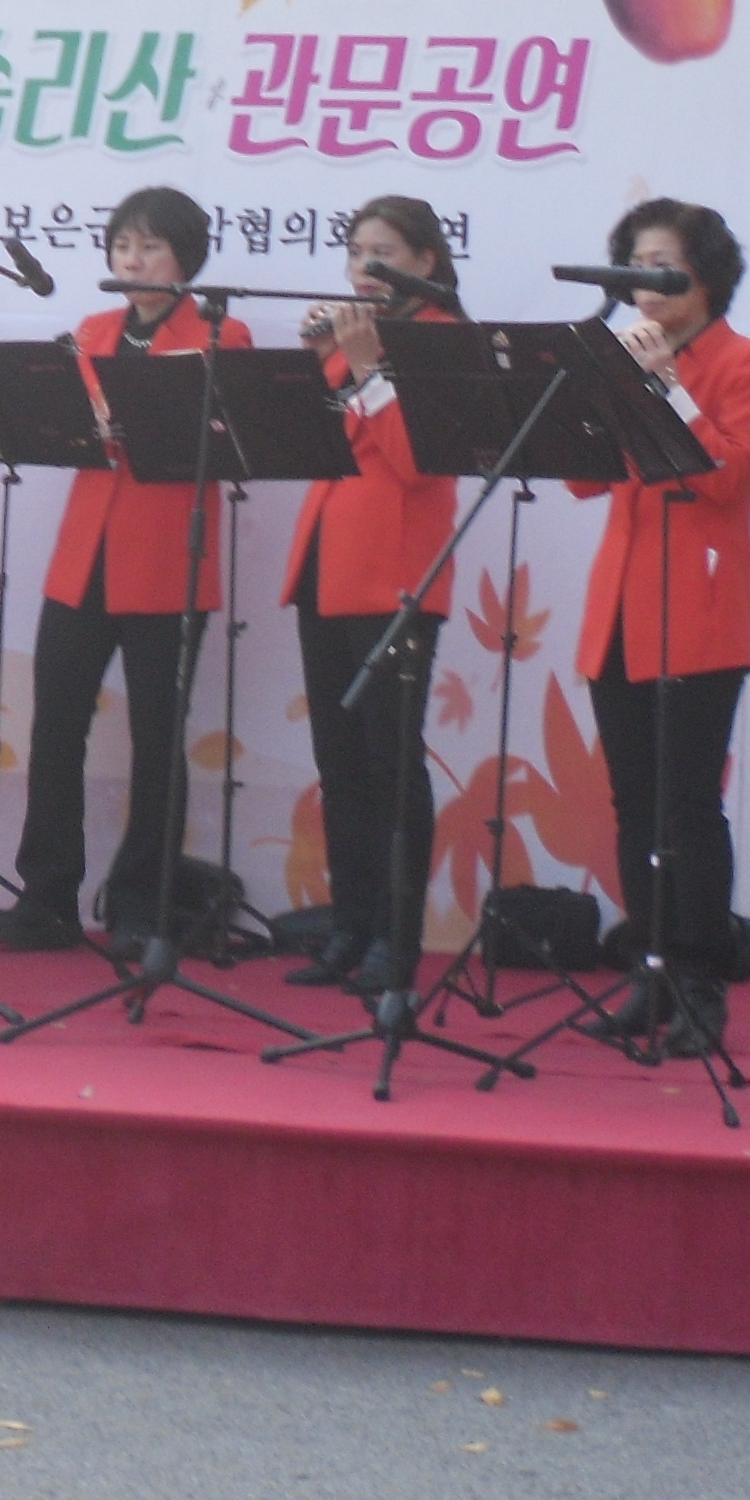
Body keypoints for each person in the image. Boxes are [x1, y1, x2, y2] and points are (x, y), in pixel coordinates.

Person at [0, 185, 251, 955]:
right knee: (56, 726)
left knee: (158, 737)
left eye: (149, 247)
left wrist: (128, 421)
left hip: (168, 557)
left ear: (185, 259)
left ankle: (142, 902)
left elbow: (220, 436)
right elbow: (65, 428)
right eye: (122, 246)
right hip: (84, 557)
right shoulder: (94, 329)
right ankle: (47, 897)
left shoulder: (221, 333)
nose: (132, 261)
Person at [567, 198, 750, 1031]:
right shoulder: (622, 355)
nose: (648, 286)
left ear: (708, 278)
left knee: (687, 806)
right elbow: (585, 478)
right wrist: (596, 394)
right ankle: (649, 972)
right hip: (620, 604)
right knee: (633, 803)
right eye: (636, 267)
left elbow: (730, 480)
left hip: (699, 604)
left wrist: (665, 387)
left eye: (665, 268)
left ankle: (700, 982)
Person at [282, 193, 464, 999]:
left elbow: (421, 461)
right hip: (325, 564)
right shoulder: (357, 335)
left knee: (391, 763)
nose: (366, 266)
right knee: (340, 760)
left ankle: (396, 938)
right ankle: (349, 926)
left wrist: (364, 368)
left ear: (427, 261)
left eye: (384, 252)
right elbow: (312, 438)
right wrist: (319, 359)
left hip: (396, 576)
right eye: (357, 252)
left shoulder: (444, 340)